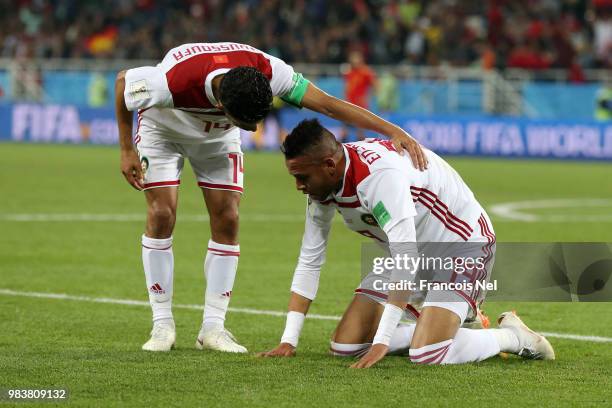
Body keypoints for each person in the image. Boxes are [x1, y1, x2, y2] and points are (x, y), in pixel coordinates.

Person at [114, 42, 427, 353]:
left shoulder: (267, 69)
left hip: (217, 136)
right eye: (247, 123)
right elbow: (122, 81)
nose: (253, 130)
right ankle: (162, 323)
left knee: (228, 217)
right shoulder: (173, 79)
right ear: (222, 103)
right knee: (162, 213)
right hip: (163, 130)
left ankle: (213, 327)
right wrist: (127, 148)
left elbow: (328, 104)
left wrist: (391, 129)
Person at [258, 119, 555, 367]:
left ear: (329, 165)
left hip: (462, 245)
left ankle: (514, 337)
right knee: (344, 346)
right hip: (409, 254)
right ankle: (442, 322)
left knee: (426, 354)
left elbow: (405, 259)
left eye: (302, 177)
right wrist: (289, 340)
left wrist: (383, 342)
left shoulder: (380, 178)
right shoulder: (322, 187)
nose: (298, 185)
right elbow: (310, 258)